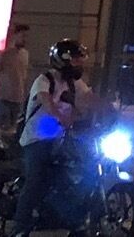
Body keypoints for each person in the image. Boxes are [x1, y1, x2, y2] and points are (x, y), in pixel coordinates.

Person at [8, 37, 85, 237]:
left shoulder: (74, 84)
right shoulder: (44, 80)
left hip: (60, 140)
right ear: (64, 60)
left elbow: (92, 100)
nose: (80, 64)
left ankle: (76, 223)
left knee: (79, 173)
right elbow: (47, 102)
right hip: (37, 139)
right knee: (35, 181)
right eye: (76, 60)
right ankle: (20, 228)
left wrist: (111, 113)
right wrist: (60, 118)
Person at [0, 24, 33, 146]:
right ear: (14, 36)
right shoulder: (2, 56)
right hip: (2, 98)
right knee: (3, 130)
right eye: (23, 36)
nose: (25, 39)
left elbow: (23, 76)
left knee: (13, 132)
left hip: (17, 98)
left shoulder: (25, 55)